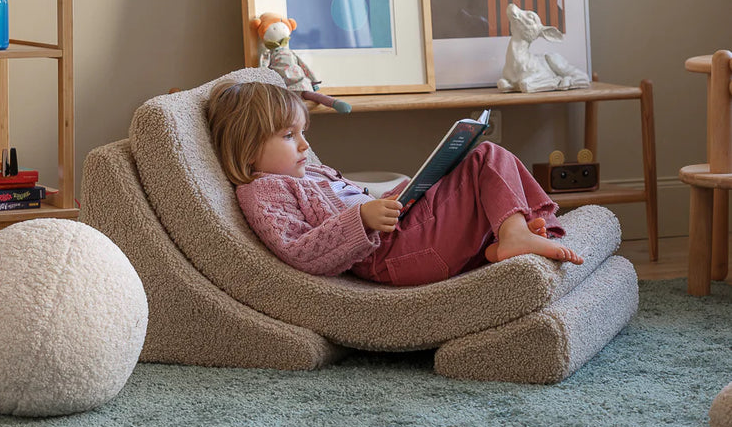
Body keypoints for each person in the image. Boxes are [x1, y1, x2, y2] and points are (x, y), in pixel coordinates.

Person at [206, 80, 583, 286]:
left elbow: (351, 199)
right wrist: (364, 219)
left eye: (303, 133)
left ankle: (504, 236)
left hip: (401, 234)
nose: (305, 145)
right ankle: (513, 234)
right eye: (289, 136)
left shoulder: (305, 173)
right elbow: (301, 252)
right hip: (390, 255)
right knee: (488, 158)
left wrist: (400, 194)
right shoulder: (263, 191)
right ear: (249, 148)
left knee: (477, 157)